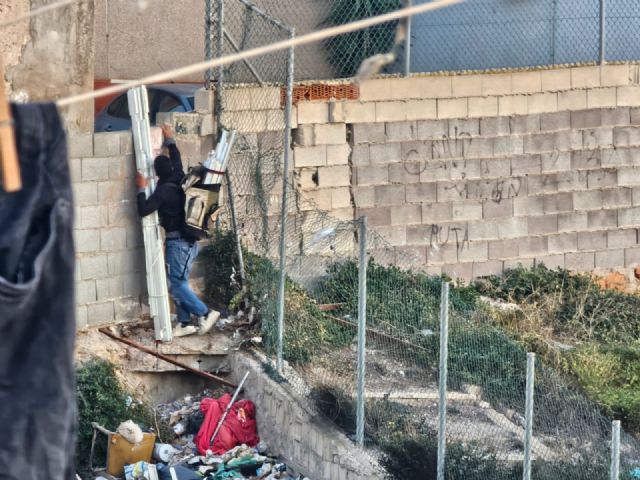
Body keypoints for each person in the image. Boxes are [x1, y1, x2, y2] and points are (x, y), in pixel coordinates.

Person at [136, 125, 219, 337]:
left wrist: (141, 187)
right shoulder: (180, 176)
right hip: (189, 242)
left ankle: (205, 313)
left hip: (179, 244)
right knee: (179, 282)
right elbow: (176, 156)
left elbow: (144, 209)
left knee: (177, 285)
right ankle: (184, 323)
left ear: (156, 174)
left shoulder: (163, 192)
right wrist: (170, 139)